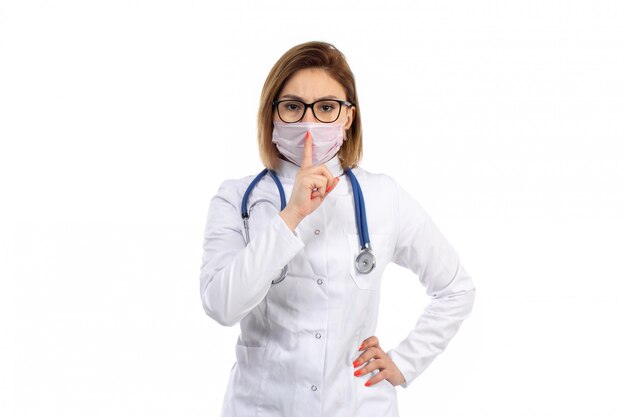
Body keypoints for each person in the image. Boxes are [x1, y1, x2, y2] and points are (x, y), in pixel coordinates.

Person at [199, 41, 476, 417]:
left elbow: (455, 288)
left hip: (358, 405)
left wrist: (405, 362)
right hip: (262, 406)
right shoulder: (237, 198)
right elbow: (221, 304)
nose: (310, 121)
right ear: (272, 117)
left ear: (348, 118)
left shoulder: (384, 196)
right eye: (293, 107)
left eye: (327, 108)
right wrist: (291, 216)